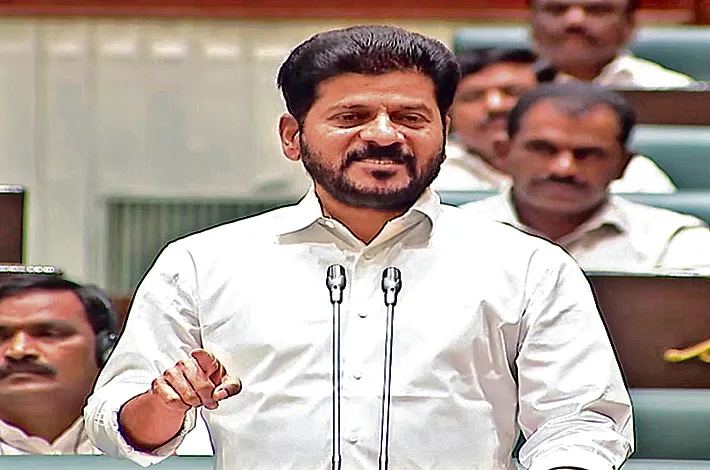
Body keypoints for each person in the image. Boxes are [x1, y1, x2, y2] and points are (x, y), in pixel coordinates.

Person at [85, 25, 633, 470]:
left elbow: (581, 423)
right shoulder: (203, 263)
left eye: (411, 118)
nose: (384, 135)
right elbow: (114, 425)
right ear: (293, 136)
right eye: (351, 118)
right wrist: (165, 405)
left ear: (444, 132)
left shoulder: (529, 266)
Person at [463, 82, 710, 273]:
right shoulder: (452, 233)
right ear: (504, 153)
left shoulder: (673, 243)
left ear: (623, 165)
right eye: (543, 149)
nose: (563, 169)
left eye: (588, 154)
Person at [433, 46, 675, 193]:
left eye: (513, 92)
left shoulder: (630, 172)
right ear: (448, 113)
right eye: (472, 97)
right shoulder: (431, 171)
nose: (495, 106)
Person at [0, 274, 118, 454]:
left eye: (49, 334)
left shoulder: (155, 443)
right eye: (1, 337)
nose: (18, 350)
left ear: (105, 349)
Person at [529, 0, 694, 87]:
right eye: (556, 9)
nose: (574, 21)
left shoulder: (671, 90)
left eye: (597, 10)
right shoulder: (514, 92)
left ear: (630, 23)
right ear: (532, 20)